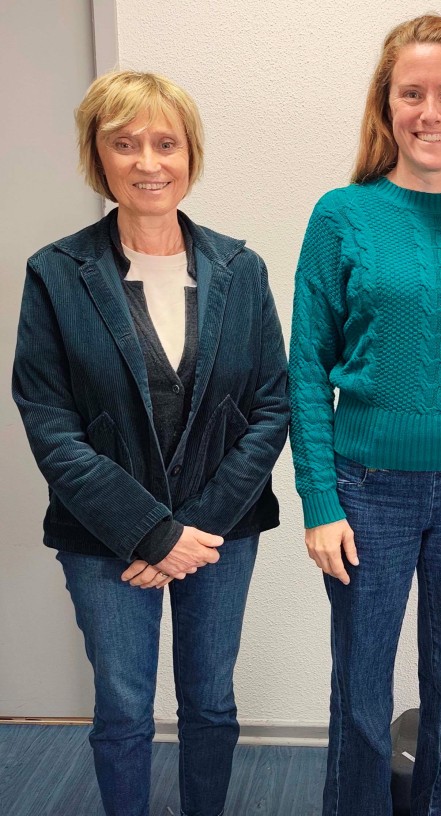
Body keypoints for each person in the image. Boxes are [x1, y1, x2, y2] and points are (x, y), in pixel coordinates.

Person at [12, 70, 289, 816]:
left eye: (165, 143)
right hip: (103, 538)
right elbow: (50, 423)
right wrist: (152, 533)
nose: (147, 162)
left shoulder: (241, 268)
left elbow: (271, 406)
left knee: (211, 702)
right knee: (123, 708)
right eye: (124, 144)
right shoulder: (56, 274)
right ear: (96, 156)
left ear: (190, 154)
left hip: (219, 534)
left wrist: (194, 531)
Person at [289, 14, 441, 816]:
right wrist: (319, 501)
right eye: (411, 94)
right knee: (360, 692)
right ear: (386, 105)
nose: (430, 112)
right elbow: (305, 371)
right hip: (367, 493)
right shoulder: (341, 216)